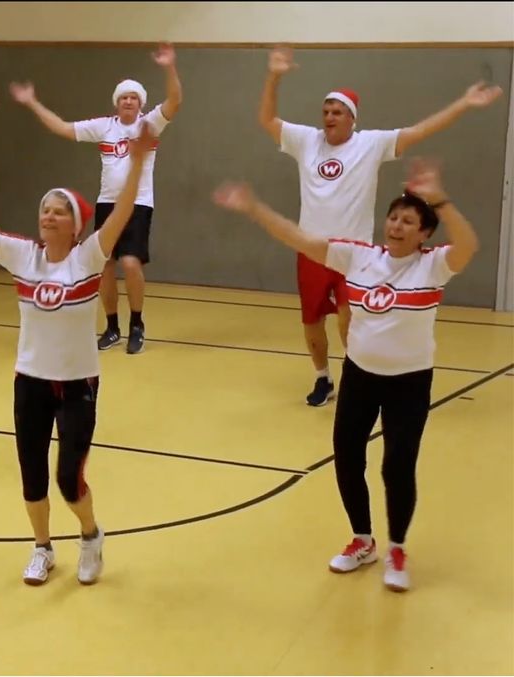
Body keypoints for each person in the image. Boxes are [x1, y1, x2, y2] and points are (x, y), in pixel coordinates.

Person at [0, 92, 155, 584]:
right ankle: (42, 547)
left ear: (76, 224)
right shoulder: (23, 255)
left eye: (58, 211)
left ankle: (90, 535)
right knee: (32, 475)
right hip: (30, 383)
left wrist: (139, 159)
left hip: (78, 385)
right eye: (44, 210)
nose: (48, 216)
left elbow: (125, 208)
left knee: (69, 478)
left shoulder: (89, 256)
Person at [212, 158, 479, 593]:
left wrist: (441, 201)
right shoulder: (359, 256)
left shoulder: (434, 265)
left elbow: (468, 245)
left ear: (424, 233)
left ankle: (397, 548)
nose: (396, 226)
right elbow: (300, 238)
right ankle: (363, 540)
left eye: (408, 221)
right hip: (359, 376)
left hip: (409, 383)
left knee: (397, 466)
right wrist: (255, 208)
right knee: (348, 456)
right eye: (393, 217)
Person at [258, 46, 503, 406]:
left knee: (350, 320)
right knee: (311, 322)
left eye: (337, 112)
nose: (329, 117)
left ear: (351, 118)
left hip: (354, 256)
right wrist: (274, 76)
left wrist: (464, 103)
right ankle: (322, 377)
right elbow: (267, 119)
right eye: (325, 111)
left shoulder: (371, 144)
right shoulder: (306, 140)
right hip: (312, 251)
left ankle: (359, 377)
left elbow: (420, 131)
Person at [11, 43, 182, 354]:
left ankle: (137, 324)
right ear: (117, 103)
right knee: (105, 266)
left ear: (140, 104)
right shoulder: (104, 127)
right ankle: (112, 327)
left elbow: (175, 100)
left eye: (133, 98)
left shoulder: (150, 124)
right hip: (107, 203)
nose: (128, 101)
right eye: (123, 97)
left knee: (130, 262)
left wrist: (169, 66)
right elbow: (63, 128)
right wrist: (33, 102)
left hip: (139, 204)